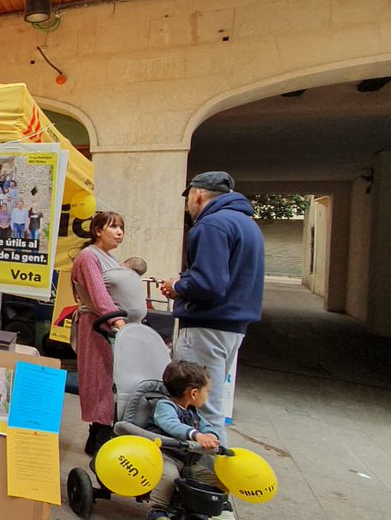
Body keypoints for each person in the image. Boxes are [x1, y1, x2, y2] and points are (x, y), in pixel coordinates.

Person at [161, 171, 264, 442]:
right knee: (207, 400)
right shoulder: (247, 225)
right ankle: (208, 471)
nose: (188, 207)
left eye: (188, 200)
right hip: (231, 326)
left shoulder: (212, 225)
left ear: (197, 195)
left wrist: (178, 286)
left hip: (206, 326)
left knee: (199, 405)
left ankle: (206, 476)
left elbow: (209, 284)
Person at [71, 211, 145, 456]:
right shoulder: (88, 257)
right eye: (113, 227)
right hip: (98, 327)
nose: (119, 232)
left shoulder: (111, 258)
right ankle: (99, 437)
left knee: (112, 381)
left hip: (115, 330)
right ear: (98, 230)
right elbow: (99, 295)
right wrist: (119, 323)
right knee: (100, 381)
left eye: (121, 227)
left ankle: (102, 434)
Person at [145, 361, 232, 520]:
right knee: (169, 477)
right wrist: (196, 435)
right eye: (207, 391)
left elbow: (206, 426)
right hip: (165, 456)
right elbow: (171, 424)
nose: (208, 396)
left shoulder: (192, 412)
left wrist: (211, 436)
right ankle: (157, 510)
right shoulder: (165, 406)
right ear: (193, 393)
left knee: (215, 479)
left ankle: (220, 507)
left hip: (188, 460)